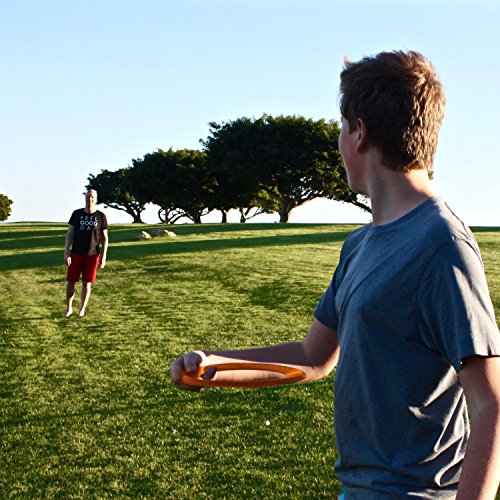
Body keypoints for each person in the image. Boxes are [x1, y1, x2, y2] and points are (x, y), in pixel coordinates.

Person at [170, 51, 500, 498]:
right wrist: (215, 364)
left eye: (342, 128)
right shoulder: (359, 246)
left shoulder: (442, 246)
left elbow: (491, 404)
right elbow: (314, 358)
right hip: (356, 489)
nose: (340, 143)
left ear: (359, 132)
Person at [64, 189, 108, 317]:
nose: (90, 199)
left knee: (87, 283)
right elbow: (70, 234)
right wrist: (67, 253)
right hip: (76, 253)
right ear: (85, 198)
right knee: (71, 281)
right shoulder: (76, 214)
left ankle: (82, 309)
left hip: (92, 255)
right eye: (88, 196)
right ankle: (69, 308)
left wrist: (103, 257)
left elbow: (105, 238)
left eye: (92, 197)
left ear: (96, 199)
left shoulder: (101, 216)